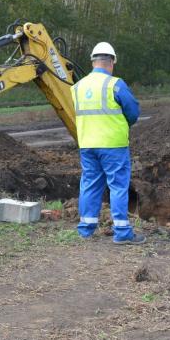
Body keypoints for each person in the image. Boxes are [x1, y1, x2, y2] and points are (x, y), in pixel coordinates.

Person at [72, 42, 143, 244]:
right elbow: (133, 112)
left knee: (89, 184)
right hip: (113, 145)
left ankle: (86, 229)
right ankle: (122, 232)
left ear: (93, 62)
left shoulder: (77, 87)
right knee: (118, 186)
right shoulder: (115, 84)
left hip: (87, 144)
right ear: (111, 62)